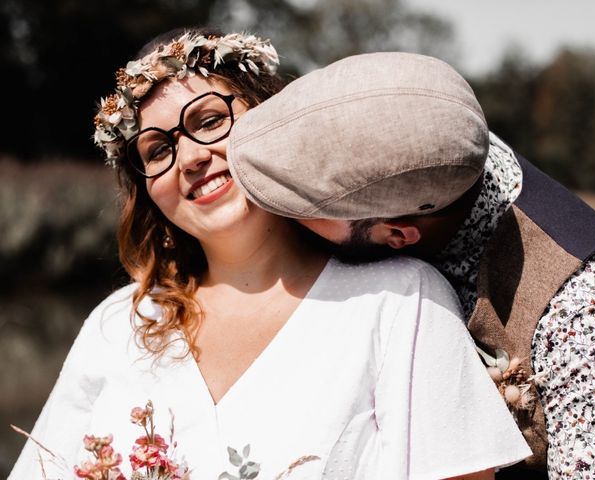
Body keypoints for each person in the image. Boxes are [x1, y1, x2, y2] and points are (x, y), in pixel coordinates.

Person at [9, 30, 532, 480]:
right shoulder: (119, 323)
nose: (189, 157)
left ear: (271, 121)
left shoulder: (400, 302)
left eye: (209, 121)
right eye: (157, 151)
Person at [225, 52, 595, 479]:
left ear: (397, 234)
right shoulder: (414, 128)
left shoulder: (592, 313)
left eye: (298, 207)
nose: (274, 217)